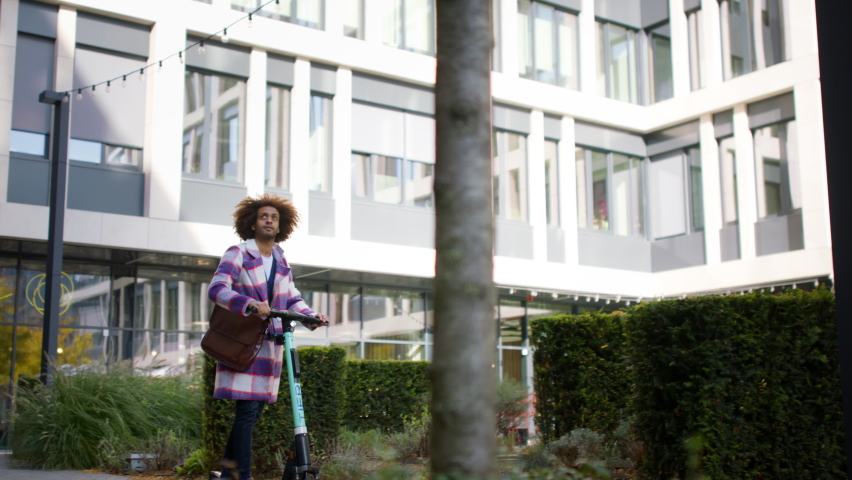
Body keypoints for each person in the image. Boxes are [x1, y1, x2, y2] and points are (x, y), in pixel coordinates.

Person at [208, 193, 329, 480]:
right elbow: (217, 289)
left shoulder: (280, 257)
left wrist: (312, 317)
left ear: (280, 225)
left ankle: (228, 474)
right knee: (248, 412)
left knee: (250, 413)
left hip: (270, 345)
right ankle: (244, 475)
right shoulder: (238, 253)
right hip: (244, 342)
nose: (269, 221)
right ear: (252, 222)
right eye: (264, 216)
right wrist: (248, 303)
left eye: (274, 218)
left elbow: (291, 297)